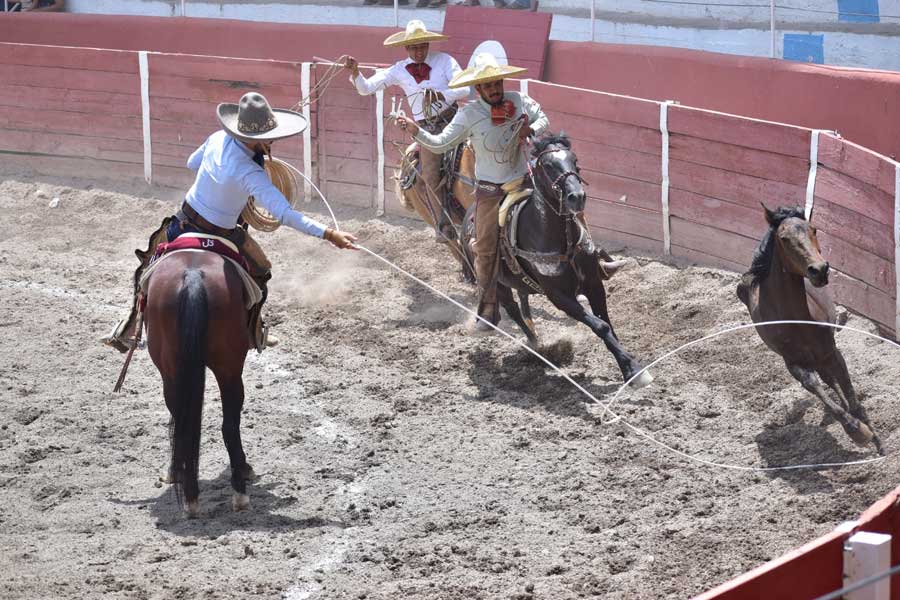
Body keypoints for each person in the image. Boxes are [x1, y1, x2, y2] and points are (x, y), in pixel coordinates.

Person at [102, 92, 357, 354]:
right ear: (263, 137)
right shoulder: (251, 173)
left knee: (147, 264)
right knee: (260, 271)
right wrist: (328, 233)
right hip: (225, 233)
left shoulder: (216, 139)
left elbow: (192, 163)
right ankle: (254, 329)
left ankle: (130, 327)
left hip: (184, 222)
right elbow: (284, 213)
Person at [393, 53, 546, 332]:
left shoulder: (518, 100)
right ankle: (488, 309)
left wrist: (531, 128)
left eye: (497, 82)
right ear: (479, 89)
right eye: (487, 86)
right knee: (485, 249)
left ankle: (587, 262)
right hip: (489, 190)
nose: (494, 89)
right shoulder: (469, 114)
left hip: (523, 179)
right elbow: (439, 144)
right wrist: (416, 131)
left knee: (562, 201)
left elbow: (543, 117)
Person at [344, 19, 467, 242]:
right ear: (407, 48)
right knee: (429, 174)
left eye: (423, 45)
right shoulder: (399, 70)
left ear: (429, 44)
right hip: (428, 129)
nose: (419, 51)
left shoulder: (445, 61)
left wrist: (443, 94)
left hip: (457, 119)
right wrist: (355, 73)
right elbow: (366, 89)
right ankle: (442, 224)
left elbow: (465, 88)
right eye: (414, 47)